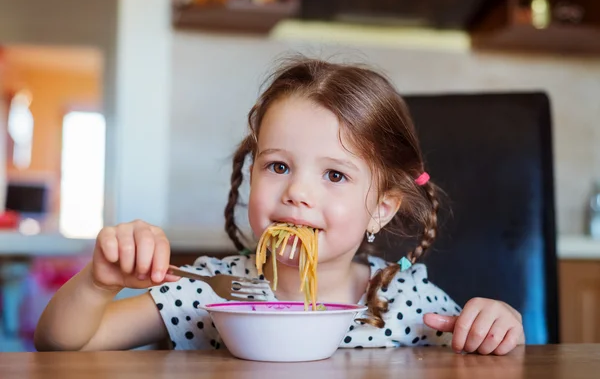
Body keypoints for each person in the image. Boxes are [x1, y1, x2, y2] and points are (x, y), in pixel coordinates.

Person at [34, 57, 524, 355]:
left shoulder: (401, 302)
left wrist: (499, 326)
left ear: (381, 208)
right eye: (278, 166)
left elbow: (486, 347)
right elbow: (60, 345)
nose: (297, 193)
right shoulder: (212, 291)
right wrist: (99, 282)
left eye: (334, 175)